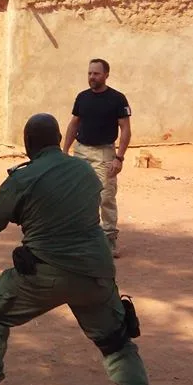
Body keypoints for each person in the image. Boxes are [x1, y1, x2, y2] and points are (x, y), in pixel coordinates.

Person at [0, 113, 170, 385]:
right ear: (59, 139)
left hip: (44, 273)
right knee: (117, 344)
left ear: (27, 145)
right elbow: (63, 209)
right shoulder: (85, 171)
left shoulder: (22, 178)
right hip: (96, 274)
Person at [62, 59, 131, 255]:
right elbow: (74, 123)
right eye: (90, 73)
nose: (92, 77)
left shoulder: (117, 99)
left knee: (106, 196)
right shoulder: (82, 97)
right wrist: (65, 150)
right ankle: (81, 238)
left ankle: (109, 240)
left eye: (96, 74)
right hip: (81, 151)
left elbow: (125, 129)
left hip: (105, 153)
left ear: (106, 75)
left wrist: (119, 157)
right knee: (79, 196)